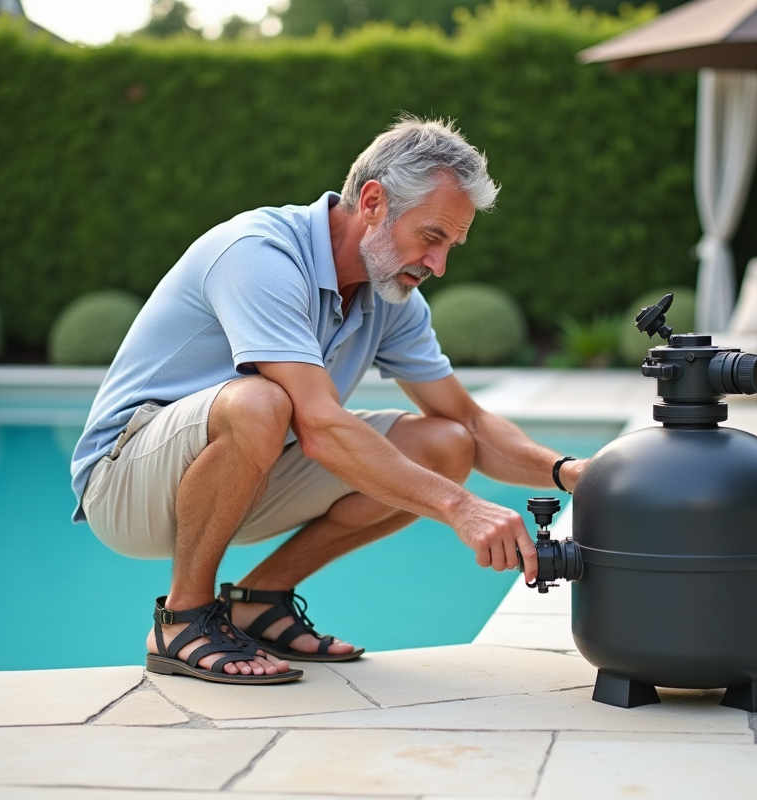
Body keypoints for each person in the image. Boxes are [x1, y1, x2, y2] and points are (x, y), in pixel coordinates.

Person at [70, 117, 588, 684]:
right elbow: (318, 425)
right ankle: (181, 619)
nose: (438, 265)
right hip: (125, 485)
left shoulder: (391, 295)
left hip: (246, 480)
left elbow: (465, 416)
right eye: (432, 237)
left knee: (444, 444)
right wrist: (460, 508)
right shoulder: (260, 253)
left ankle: (259, 601)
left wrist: (567, 473)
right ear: (373, 202)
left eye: (451, 246)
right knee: (263, 403)